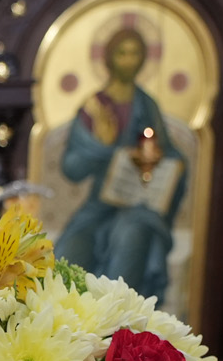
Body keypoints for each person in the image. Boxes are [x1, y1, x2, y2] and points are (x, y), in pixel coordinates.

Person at [52, 27, 187, 302]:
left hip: (138, 206)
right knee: (69, 251)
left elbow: (173, 157)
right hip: (99, 205)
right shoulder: (95, 108)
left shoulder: (147, 106)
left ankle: (118, 322)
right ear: (109, 58)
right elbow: (72, 168)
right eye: (122, 53)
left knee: (129, 239)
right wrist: (101, 146)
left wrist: (156, 159)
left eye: (135, 54)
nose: (128, 61)